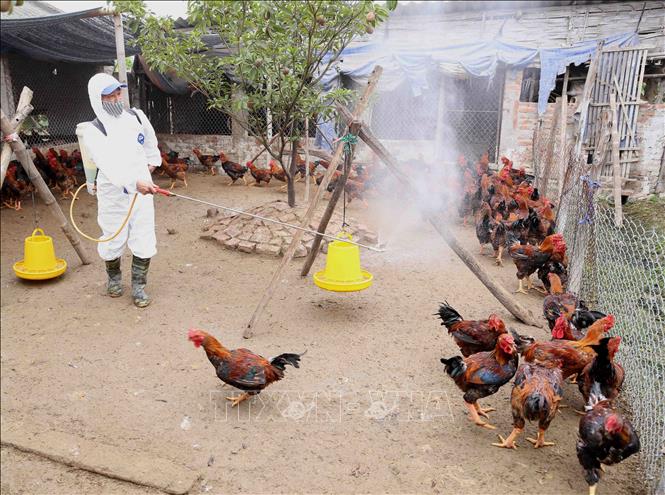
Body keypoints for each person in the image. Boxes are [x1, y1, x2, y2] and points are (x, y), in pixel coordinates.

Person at [82, 73, 161, 307]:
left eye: (118, 93)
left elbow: (150, 142)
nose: (117, 99)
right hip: (113, 192)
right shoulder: (94, 131)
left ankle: (139, 287)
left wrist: (151, 163)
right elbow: (108, 165)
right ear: (97, 99)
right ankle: (114, 279)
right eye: (110, 96)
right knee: (112, 237)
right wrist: (134, 183)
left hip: (143, 189)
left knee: (144, 236)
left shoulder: (136, 116)